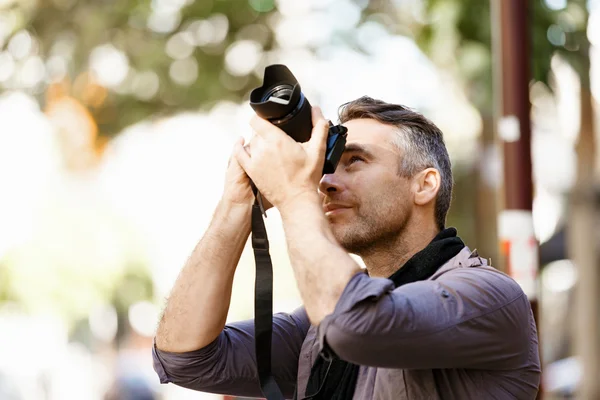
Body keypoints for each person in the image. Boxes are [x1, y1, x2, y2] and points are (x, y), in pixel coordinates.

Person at [152, 97, 541, 399]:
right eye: (329, 164)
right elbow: (185, 358)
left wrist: (292, 193)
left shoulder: (488, 297)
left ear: (424, 185)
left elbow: (358, 324)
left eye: (355, 161)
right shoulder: (317, 327)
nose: (326, 182)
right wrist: (235, 205)